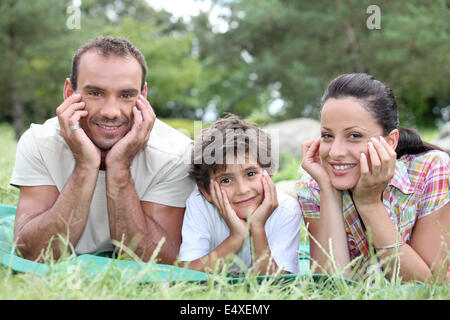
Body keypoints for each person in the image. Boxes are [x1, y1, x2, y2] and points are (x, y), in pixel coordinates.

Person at [10, 36, 195, 264]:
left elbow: (159, 262)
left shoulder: (175, 153)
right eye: (96, 93)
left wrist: (119, 168)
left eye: (126, 95)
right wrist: (86, 165)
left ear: (142, 96)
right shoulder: (39, 142)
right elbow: (33, 253)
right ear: (69, 92)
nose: (111, 112)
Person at [296, 73, 449, 283]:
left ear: (390, 141)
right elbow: (331, 287)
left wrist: (368, 203)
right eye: (327, 136)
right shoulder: (313, 186)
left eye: (354, 135)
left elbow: (427, 285)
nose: (336, 152)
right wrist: (328, 192)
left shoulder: (431, 169)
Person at [178, 114, 302, 275]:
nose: (243, 190)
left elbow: (278, 285)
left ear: (269, 176)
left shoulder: (287, 209)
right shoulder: (199, 204)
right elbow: (185, 276)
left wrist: (257, 228)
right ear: (206, 191)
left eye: (250, 174)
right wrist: (237, 237)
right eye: (226, 180)